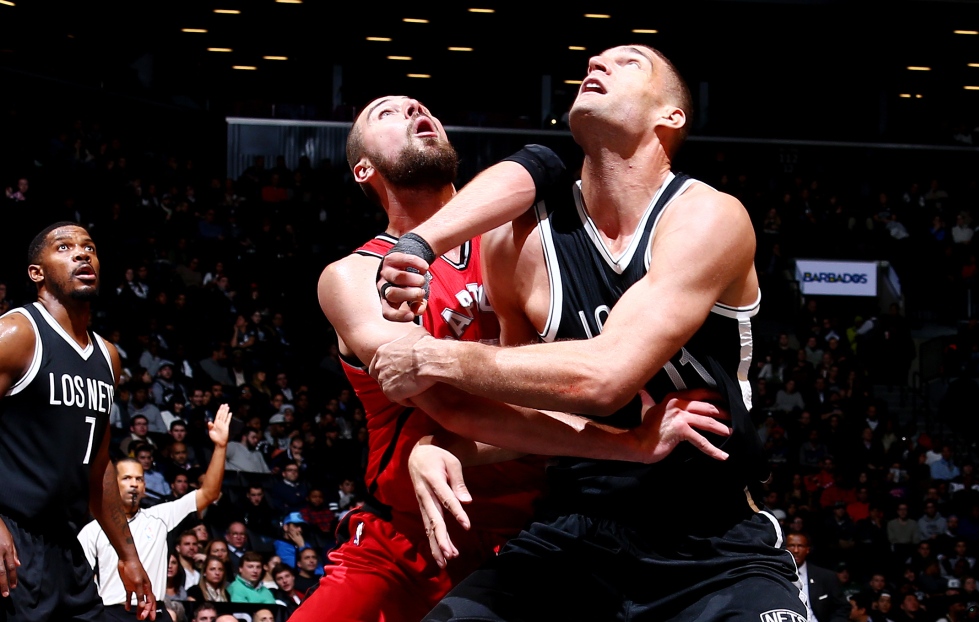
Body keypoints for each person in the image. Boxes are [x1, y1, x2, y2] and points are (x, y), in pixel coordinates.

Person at [372, 45, 804, 621]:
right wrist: (443, 445)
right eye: (595, 60)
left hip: (711, 540)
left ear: (670, 117)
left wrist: (434, 358)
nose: (598, 63)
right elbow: (540, 411)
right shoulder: (515, 246)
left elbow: (604, 380)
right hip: (572, 533)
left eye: (629, 63)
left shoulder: (708, 217)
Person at [294, 90, 733, 622]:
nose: (415, 110)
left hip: (542, 527)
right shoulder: (354, 275)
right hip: (408, 537)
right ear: (364, 170)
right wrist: (629, 444)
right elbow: (448, 401)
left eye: (421, 106)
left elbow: (543, 161)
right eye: (388, 113)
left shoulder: (517, 245)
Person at [0, 221, 155, 620]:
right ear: (37, 273)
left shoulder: (108, 356)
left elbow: (99, 468)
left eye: (89, 247)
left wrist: (128, 555)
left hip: (65, 544)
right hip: (11, 536)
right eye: (65, 248)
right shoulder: (18, 333)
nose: (82, 254)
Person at [78, 404, 232, 621]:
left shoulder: (160, 515)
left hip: (154, 612)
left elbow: (209, 493)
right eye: (126, 478)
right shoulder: (93, 529)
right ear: (112, 483)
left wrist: (220, 446)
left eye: (139, 479)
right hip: (113, 613)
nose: (134, 484)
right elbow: (78, 578)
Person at [786, 531, 851, 622]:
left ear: (808, 549)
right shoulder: (774, 575)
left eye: (800, 546)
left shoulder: (826, 577)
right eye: (791, 545)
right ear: (784, 549)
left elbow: (842, 608)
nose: (796, 550)